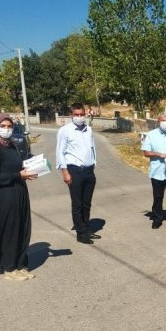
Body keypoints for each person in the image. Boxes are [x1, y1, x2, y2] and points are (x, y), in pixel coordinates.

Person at [0, 113, 38, 281]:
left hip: (19, 190)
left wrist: (28, 172)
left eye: (9, 126)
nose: (7, 129)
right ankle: (9, 267)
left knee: (22, 227)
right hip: (5, 193)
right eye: (3, 126)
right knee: (11, 230)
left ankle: (20, 264)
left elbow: (17, 166)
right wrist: (18, 176)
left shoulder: (11, 145)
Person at [56, 103, 98, 244]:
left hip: (89, 171)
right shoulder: (64, 131)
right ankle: (81, 233)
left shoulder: (88, 130)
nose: (79, 117)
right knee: (77, 204)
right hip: (75, 171)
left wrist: (94, 163)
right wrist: (65, 172)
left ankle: (86, 229)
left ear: (85, 114)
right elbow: (60, 152)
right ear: (71, 115)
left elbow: (92, 148)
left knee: (87, 204)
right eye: (76, 115)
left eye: (81, 114)